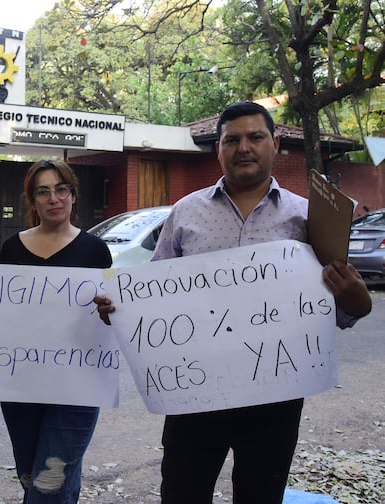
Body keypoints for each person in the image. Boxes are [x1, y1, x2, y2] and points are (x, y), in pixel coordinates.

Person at [95, 101, 372, 504]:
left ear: (275, 144)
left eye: (255, 137)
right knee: (182, 493)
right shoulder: (185, 212)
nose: (244, 147)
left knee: (261, 495)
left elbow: (342, 310)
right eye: (233, 139)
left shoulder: (309, 218)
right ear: (218, 149)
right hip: (193, 392)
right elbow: (154, 294)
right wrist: (119, 309)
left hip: (274, 397)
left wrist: (357, 299)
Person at [0, 159, 112, 503]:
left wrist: (112, 312)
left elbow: (109, 320)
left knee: (49, 484)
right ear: (32, 201)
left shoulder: (95, 250)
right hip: (21, 387)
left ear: (73, 195)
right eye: (43, 191)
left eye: (61, 189)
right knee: (33, 476)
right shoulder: (12, 249)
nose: (54, 198)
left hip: (76, 389)